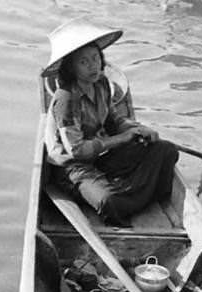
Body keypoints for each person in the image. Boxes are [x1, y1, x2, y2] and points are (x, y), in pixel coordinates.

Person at [42, 19, 178, 228]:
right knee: (108, 201)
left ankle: (127, 196)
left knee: (165, 150)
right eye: (84, 62)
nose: (93, 66)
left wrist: (136, 129)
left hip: (99, 158)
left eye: (96, 58)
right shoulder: (66, 99)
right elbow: (77, 151)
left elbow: (113, 119)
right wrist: (121, 139)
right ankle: (127, 197)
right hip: (71, 168)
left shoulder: (102, 83)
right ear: (71, 68)